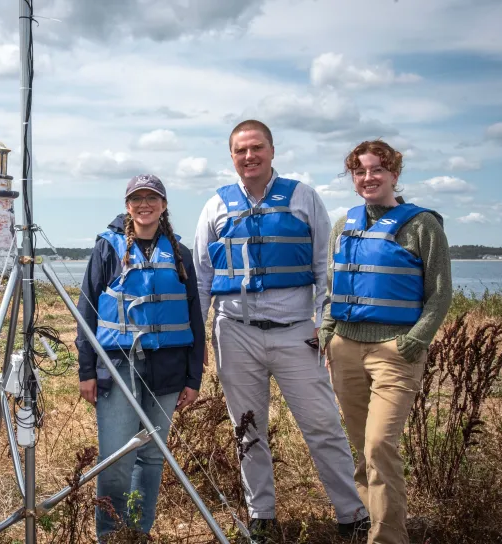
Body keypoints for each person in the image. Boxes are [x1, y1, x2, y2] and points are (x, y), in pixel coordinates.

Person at [194, 120, 369, 543]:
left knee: (323, 424)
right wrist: (199, 338)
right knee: (248, 430)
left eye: (257, 148)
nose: (249, 156)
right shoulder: (216, 205)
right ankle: (262, 516)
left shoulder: (303, 197)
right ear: (231, 156)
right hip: (234, 332)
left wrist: (324, 327)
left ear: (272, 151)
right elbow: (201, 276)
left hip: (296, 333)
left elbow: (326, 268)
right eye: (241, 150)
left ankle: (352, 513)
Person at [320, 140, 451, 544]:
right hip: (345, 349)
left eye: (377, 169)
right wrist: (327, 333)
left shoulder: (421, 225)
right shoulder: (344, 224)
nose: (368, 178)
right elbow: (332, 287)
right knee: (362, 449)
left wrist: (414, 342)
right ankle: (374, 527)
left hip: (395, 352)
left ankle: (389, 539)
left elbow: (440, 293)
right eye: (359, 171)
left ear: (394, 173)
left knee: (380, 446)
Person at [75, 174, 204, 540]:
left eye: (152, 198)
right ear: (127, 205)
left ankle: (138, 533)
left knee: (151, 457)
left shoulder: (180, 254)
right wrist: (87, 370)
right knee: (116, 458)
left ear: (163, 205)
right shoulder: (107, 248)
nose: (144, 204)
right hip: (118, 368)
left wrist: (193, 377)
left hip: (168, 369)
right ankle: (111, 536)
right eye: (136, 199)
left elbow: (194, 316)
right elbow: (86, 312)